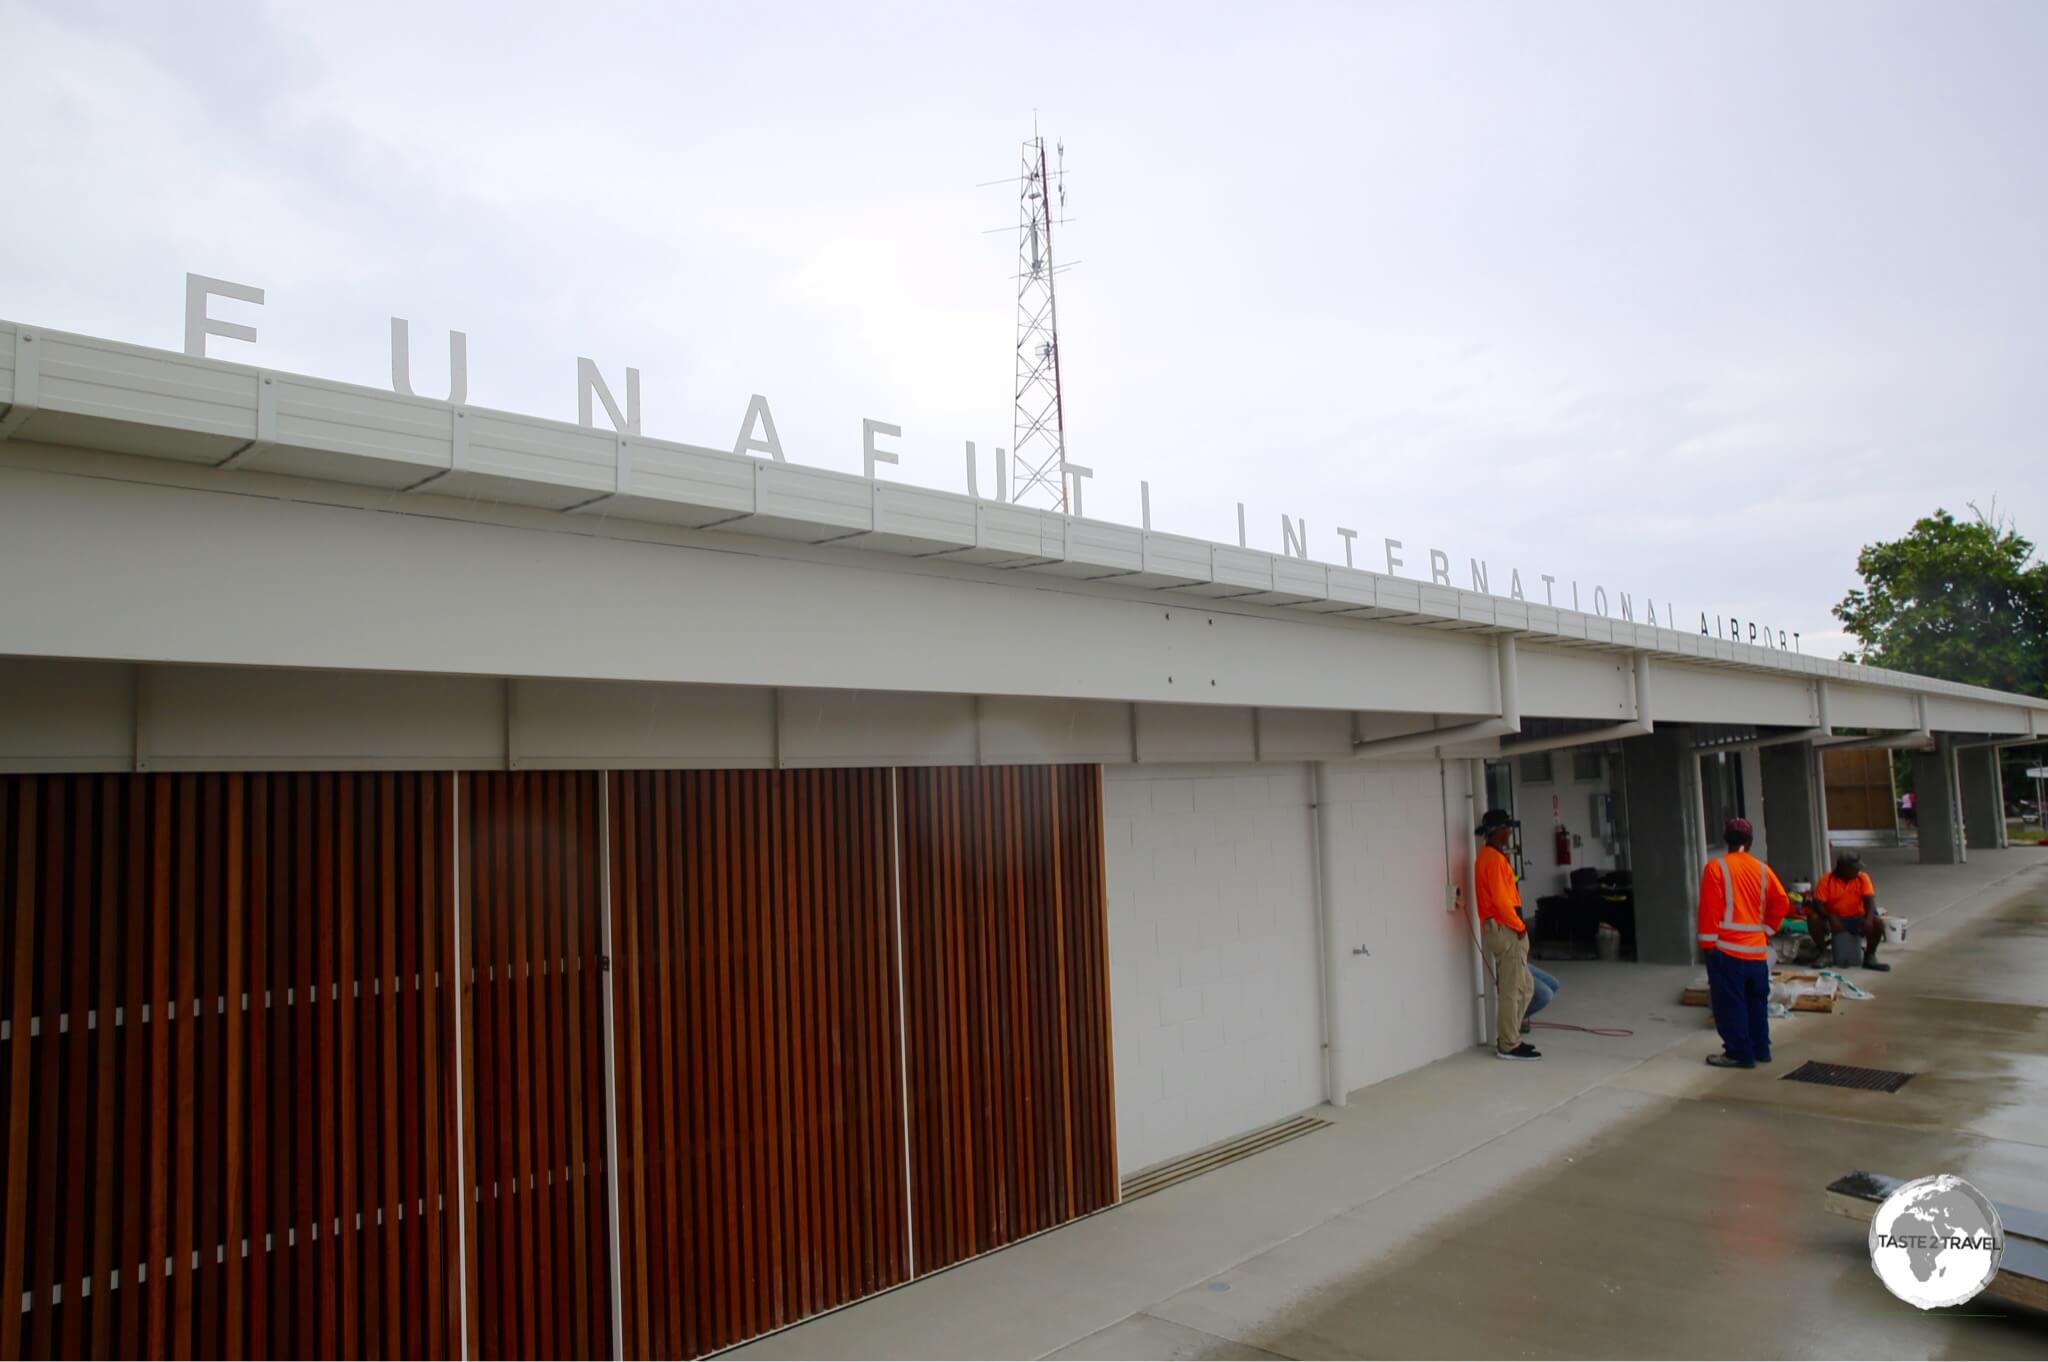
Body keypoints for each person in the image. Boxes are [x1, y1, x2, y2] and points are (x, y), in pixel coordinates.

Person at [1698, 817, 1792, 1070]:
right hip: (1756, 951)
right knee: (1756, 1003)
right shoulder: (1762, 869)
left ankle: (1739, 1053)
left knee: (1731, 1006)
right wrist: (1767, 929)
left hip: (1727, 951)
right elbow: (1782, 901)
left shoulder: (1715, 868)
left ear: (1726, 839)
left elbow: (1710, 910)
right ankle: (1761, 1049)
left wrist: (1708, 946)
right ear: (1749, 842)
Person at [1475, 809, 1541, 1060]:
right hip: (1505, 928)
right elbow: (1503, 903)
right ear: (1497, 831)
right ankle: (1508, 1044)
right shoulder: (1491, 859)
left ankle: (1510, 1037)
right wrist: (1521, 927)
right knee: (1513, 989)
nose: (1510, 833)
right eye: (1507, 828)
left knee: (1525, 987)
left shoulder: (1491, 857)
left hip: (1502, 926)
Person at [1808, 850, 1890, 971]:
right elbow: (1818, 903)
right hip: (1835, 918)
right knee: (1813, 919)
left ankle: (1870, 956)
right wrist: (1830, 917)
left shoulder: (1862, 878)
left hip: (1857, 917)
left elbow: (1869, 900)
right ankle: (1824, 953)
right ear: (1843, 868)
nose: (1857, 871)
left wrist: (1868, 919)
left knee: (1878, 923)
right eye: (1854, 868)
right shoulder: (1827, 879)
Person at [1524, 962, 1562, 1033]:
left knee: (1553, 984)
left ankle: (1516, 1016)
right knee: (1545, 995)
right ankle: (1510, 1021)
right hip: (1506, 963)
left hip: (1520, 961)